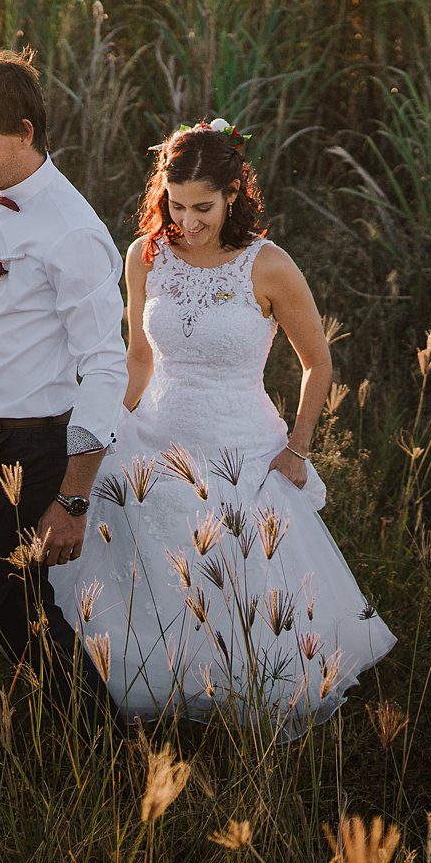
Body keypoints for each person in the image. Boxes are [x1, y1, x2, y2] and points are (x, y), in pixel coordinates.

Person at [48, 118, 395, 738]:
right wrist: (107, 431)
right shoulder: (146, 255)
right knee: (152, 576)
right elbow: (139, 359)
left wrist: (298, 448)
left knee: (244, 585)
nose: (188, 221)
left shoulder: (269, 267)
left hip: (241, 447)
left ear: (233, 195)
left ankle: (241, 707)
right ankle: (159, 696)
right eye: (175, 205)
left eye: (203, 207)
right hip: (155, 433)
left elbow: (319, 362)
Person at [0, 49, 128, 799]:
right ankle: (113, 763)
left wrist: (72, 499)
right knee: (22, 622)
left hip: (27, 447)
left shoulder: (73, 231)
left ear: (25, 132)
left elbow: (106, 367)